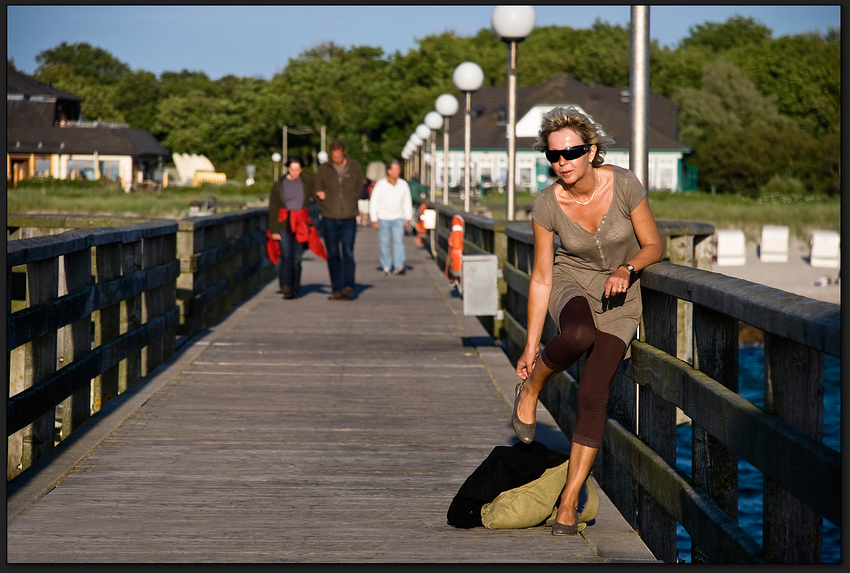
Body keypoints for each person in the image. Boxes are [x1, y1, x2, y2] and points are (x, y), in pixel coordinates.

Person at [513, 106, 662, 536]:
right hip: (571, 283)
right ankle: (534, 384)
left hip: (621, 296)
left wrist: (628, 268)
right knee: (577, 333)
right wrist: (529, 345)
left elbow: (653, 245)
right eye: (553, 156)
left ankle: (568, 499)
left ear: (591, 150)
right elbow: (541, 277)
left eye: (572, 152)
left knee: (594, 395)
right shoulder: (547, 204)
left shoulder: (625, 185)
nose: (562, 162)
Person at [314, 140, 364, 300]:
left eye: (339, 156)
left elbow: (360, 187)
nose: (336, 159)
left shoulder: (354, 167)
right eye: (333, 157)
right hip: (329, 217)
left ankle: (348, 286)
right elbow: (316, 188)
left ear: (344, 153)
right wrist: (323, 200)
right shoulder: (324, 169)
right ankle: (336, 288)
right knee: (333, 254)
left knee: (348, 252)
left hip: (349, 217)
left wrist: (351, 202)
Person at [268, 156, 319, 299]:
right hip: (283, 223)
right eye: (292, 169)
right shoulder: (279, 184)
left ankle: (295, 287)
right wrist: (274, 230)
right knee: (286, 255)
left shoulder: (307, 182)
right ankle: (285, 286)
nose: (295, 172)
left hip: (300, 224)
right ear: (288, 169)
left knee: (297, 259)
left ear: (301, 169)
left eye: (297, 170)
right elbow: (273, 207)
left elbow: (317, 194)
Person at [369, 159, 413, 275]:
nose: (398, 171)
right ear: (389, 171)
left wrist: (408, 218)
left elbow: (407, 202)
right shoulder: (380, 185)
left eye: (399, 169)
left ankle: (399, 265)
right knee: (385, 243)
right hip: (383, 218)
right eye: (396, 169)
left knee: (398, 241)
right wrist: (374, 219)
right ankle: (386, 266)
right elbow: (374, 202)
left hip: (398, 217)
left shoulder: (403, 184)